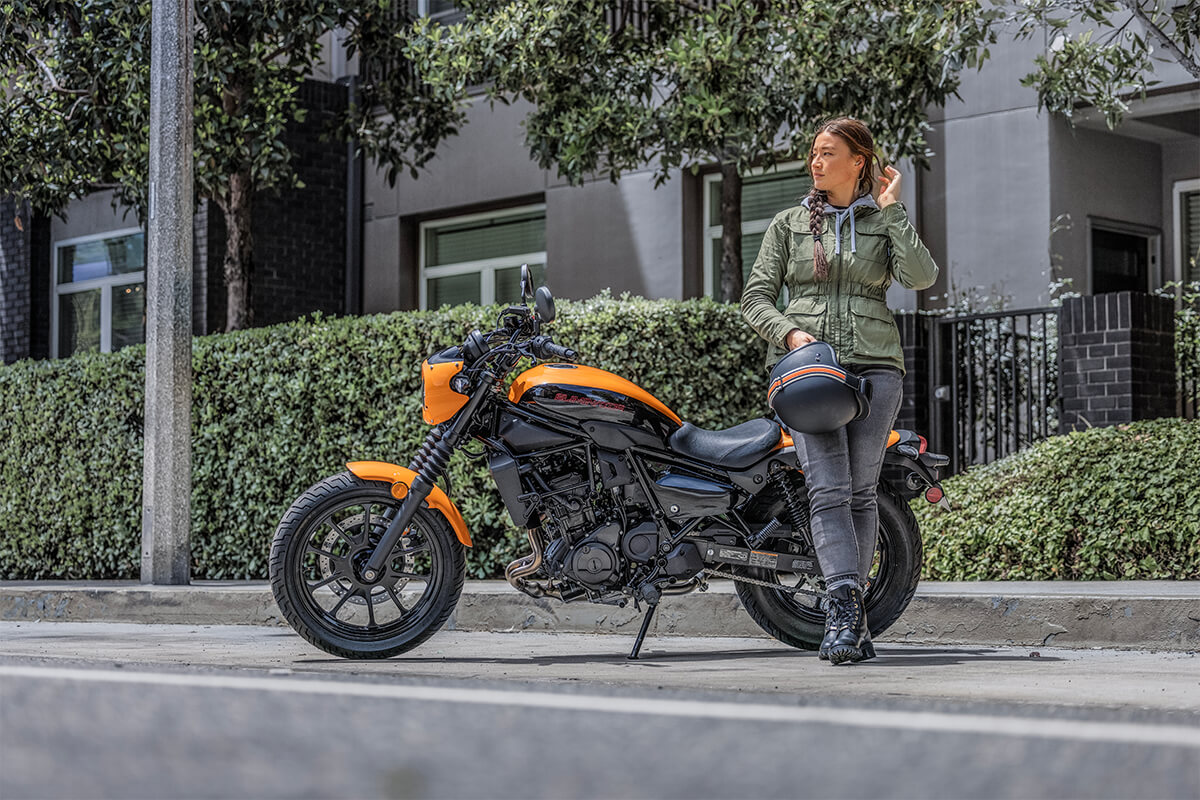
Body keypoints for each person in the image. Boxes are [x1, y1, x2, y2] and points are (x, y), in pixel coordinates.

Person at [740, 117, 939, 665]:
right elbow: (755, 298)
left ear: (860, 161)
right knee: (826, 489)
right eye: (813, 152)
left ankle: (850, 617)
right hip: (809, 372)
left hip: (876, 371)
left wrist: (893, 208)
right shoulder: (788, 224)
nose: (816, 161)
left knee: (860, 491)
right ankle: (845, 610)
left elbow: (921, 277)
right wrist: (791, 333)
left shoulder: (882, 221)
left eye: (828, 153)